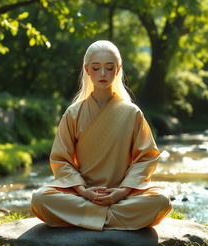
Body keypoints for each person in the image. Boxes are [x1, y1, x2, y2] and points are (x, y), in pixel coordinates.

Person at [31, 40, 171, 231]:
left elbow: (146, 158)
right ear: (87, 69)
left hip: (122, 194)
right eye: (96, 68)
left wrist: (120, 193)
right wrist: (83, 191)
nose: (103, 74)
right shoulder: (73, 113)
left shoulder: (132, 113)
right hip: (81, 194)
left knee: (161, 201)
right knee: (40, 199)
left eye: (109, 67)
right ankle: (111, 218)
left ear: (118, 69)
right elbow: (61, 159)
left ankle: (87, 217)